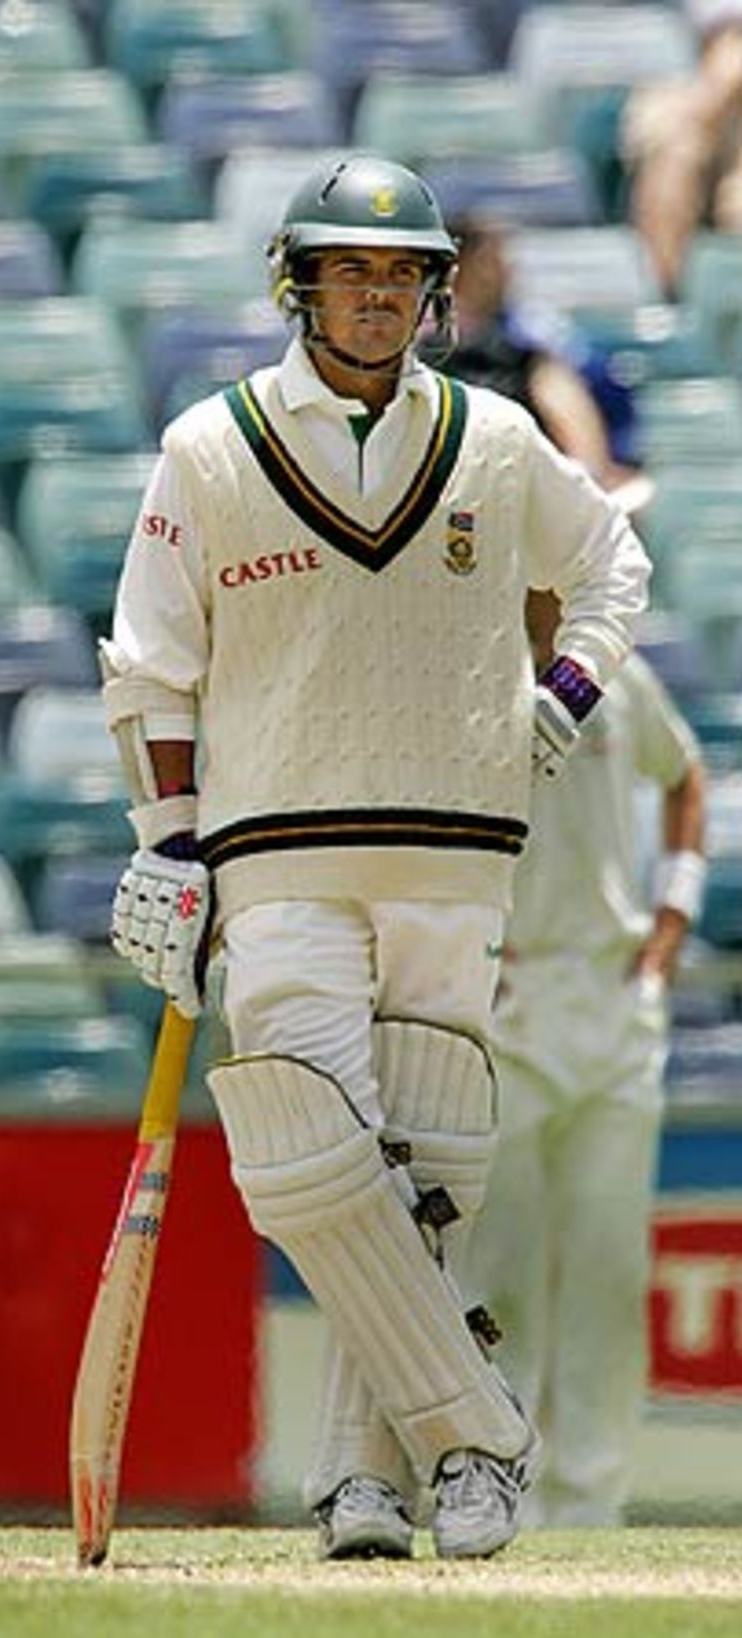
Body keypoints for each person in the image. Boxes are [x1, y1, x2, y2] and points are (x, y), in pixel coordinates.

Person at [100, 153, 651, 1561]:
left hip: (458, 854)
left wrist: (564, 702)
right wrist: (172, 846)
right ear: (297, 284)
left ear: (433, 294)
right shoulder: (208, 446)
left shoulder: (499, 437)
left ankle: (361, 1482)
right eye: (349, 270)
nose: (375, 297)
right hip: (277, 850)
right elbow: (151, 671)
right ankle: (478, 1430)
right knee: (307, 1156)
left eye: (400, 274)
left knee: (426, 1171)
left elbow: (611, 569)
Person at [460, 590, 708, 1529]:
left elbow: (685, 780)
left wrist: (672, 920)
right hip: (508, 1002)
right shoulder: (469, 686)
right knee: (501, 1276)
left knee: (606, 1270)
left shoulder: (623, 681)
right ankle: (500, 1500)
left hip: (612, 1000)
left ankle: (591, 1512)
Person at [446, 215, 643, 501]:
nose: (506, 270)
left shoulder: (528, 341)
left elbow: (568, 400)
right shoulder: (421, 340)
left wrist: (589, 480)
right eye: (492, 260)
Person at [623, 0, 742, 298]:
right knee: (675, 155)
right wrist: (714, 103)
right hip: (682, 280)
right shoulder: (663, 102)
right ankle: (676, 303)